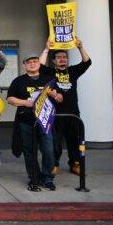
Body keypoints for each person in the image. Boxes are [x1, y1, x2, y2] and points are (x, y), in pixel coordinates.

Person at [7, 53, 63, 192]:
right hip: (26, 121)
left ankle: (47, 178)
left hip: (46, 122)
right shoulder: (18, 81)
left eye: (35, 61)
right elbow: (10, 99)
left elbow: (61, 98)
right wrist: (25, 102)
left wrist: (55, 95)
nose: (32, 64)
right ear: (24, 65)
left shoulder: (49, 79)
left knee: (48, 150)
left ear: (39, 63)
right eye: (29, 62)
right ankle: (34, 178)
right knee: (29, 152)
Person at [39, 37, 91, 176]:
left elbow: (87, 62)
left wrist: (80, 47)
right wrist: (47, 49)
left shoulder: (72, 71)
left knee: (74, 141)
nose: (62, 59)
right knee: (55, 142)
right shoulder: (50, 72)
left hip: (73, 114)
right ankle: (54, 164)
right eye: (59, 57)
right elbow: (39, 66)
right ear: (54, 61)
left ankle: (75, 164)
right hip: (55, 114)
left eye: (64, 57)